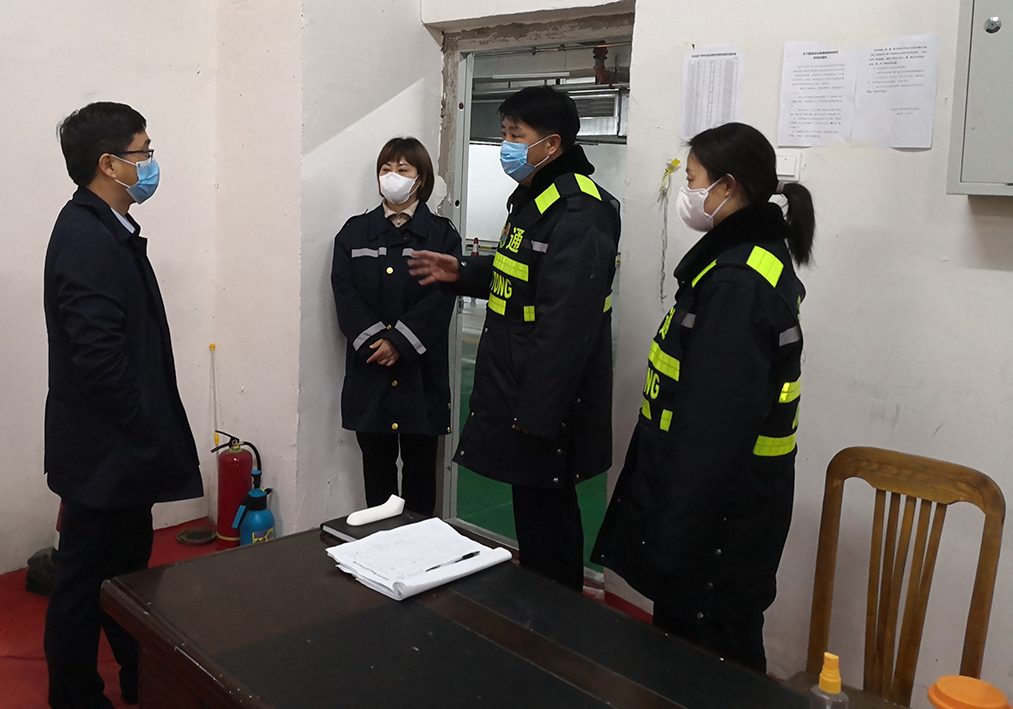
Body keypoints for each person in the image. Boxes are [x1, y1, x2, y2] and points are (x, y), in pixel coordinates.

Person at [591, 122, 815, 673]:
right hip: (726, 508)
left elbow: (713, 429)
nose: (686, 192)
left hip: (718, 523)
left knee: (708, 667)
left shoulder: (738, 283)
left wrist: (672, 540)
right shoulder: (745, 259)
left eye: (691, 180)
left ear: (727, 186)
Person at [409, 87, 621, 590]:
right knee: (533, 512)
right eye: (504, 133)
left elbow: (566, 324)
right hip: (519, 382)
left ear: (552, 144)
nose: (506, 144)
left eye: (515, 135)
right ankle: (539, 610)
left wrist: (538, 411)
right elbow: (522, 273)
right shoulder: (535, 198)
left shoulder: (580, 211)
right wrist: (462, 271)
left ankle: (556, 619)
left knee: (549, 519)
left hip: (548, 401)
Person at [42, 102, 203, 709]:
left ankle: (142, 674)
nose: (152, 163)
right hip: (105, 451)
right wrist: (146, 425)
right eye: (144, 152)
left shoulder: (109, 227)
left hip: (119, 449)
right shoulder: (86, 236)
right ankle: (75, 696)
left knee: (127, 576)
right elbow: (98, 358)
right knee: (85, 582)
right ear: (109, 164)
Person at [331, 137, 461, 516]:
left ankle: (418, 546)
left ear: (420, 179)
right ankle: (379, 543)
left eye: (402, 169)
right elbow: (345, 294)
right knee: (377, 475)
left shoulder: (441, 235)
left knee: (421, 475)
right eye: (386, 169)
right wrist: (377, 342)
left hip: (421, 377)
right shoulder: (354, 233)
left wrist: (400, 342)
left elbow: (441, 299)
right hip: (370, 372)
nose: (392, 176)